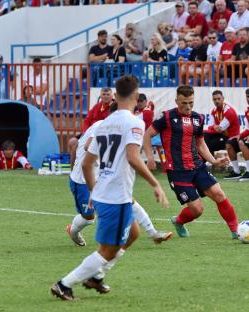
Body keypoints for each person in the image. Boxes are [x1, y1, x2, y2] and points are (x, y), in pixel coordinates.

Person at [51, 75, 169, 301]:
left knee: (133, 233)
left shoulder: (103, 123)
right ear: (136, 96)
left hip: (106, 191)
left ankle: (96, 275)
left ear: (115, 96)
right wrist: (155, 184)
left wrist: (94, 192)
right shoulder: (135, 121)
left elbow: (86, 163)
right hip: (115, 195)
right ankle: (64, 284)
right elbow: (134, 158)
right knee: (107, 250)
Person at [66, 102, 171, 248]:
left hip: (103, 175)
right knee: (89, 218)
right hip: (82, 180)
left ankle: (153, 233)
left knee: (129, 200)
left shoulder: (120, 128)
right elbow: (87, 146)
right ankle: (73, 231)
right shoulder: (101, 126)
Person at [143, 85, 239, 239]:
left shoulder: (198, 118)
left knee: (218, 194)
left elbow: (200, 144)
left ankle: (237, 231)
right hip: (177, 171)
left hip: (197, 166)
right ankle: (179, 221)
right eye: (183, 103)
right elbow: (147, 135)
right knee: (197, 209)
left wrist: (213, 161)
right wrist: (149, 158)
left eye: (190, 103)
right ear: (176, 101)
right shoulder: (167, 117)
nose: (187, 107)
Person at [204, 90, 240, 155]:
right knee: (204, 136)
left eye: (219, 99)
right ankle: (210, 162)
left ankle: (209, 162)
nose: (217, 101)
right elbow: (210, 127)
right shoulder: (214, 111)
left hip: (231, 138)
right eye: (215, 99)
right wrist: (214, 126)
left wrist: (214, 127)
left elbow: (220, 129)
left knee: (209, 144)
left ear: (223, 98)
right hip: (222, 135)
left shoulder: (229, 111)